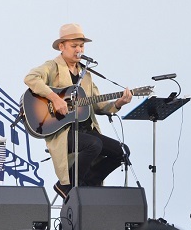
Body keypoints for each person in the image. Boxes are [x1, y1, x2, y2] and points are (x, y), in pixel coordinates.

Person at [24, 23, 132, 199]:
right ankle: (66, 186)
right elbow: (30, 78)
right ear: (62, 46)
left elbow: (98, 105)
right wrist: (55, 98)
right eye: (74, 46)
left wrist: (118, 103)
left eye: (81, 46)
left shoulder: (86, 73)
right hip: (62, 132)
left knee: (122, 151)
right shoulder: (52, 66)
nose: (78, 50)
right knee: (94, 144)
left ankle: (88, 183)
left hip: (86, 131)